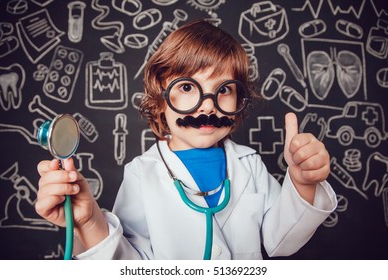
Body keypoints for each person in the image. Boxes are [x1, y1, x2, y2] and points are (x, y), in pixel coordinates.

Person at [36, 19, 337, 260]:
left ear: (239, 99)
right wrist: (89, 223)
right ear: (160, 98)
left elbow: (280, 241)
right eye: (188, 88)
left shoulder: (250, 165)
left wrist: (302, 183)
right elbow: (131, 264)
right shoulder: (143, 173)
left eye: (223, 90)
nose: (207, 105)